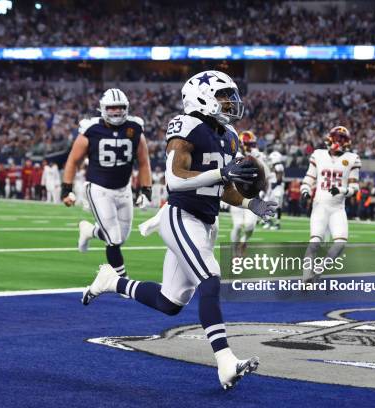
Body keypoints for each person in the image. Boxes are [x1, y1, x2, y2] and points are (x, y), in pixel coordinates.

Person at [81, 71, 277, 389]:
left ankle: (111, 281)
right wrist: (219, 172)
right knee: (211, 280)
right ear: (202, 97)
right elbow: (175, 179)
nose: (231, 103)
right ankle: (225, 362)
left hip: (206, 222)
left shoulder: (230, 136)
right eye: (224, 96)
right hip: (181, 216)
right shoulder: (187, 126)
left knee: (169, 303)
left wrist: (249, 204)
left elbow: (225, 188)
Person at [62, 88, 152, 279]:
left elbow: (144, 162)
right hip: (99, 189)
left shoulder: (135, 128)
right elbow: (73, 161)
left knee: (122, 237)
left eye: (120, 108)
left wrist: (146, 190)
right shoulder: (91, 129)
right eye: (112, 108)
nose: (116, 112)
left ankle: (89, 230)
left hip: (124, 189)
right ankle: (121, 281)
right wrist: (67, 189)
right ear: (103, 109)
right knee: (114, 238)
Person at [300, 126, 361, 283]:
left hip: (337, 208)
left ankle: (319, 270)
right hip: (320, 205)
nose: (338, 141)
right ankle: (306, 277)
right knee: (314, 242)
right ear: (330, 138)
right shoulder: (318, 154)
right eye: (336, 137)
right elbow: (309, 177)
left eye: (342, 138)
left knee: (340, 243)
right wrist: (305, 190)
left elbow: (355, 187)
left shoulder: (352, 158)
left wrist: (341, 189)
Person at [229, 130, 268, 256]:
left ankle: (244, 241)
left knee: (250, 226)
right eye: (250, 145)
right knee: (238, 225)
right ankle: (235, 253)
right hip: (237, 194)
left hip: (253, 196)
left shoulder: (259, 156)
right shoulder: (234, 155)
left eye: (253, 144)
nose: (253, 147)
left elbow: (266, 175)